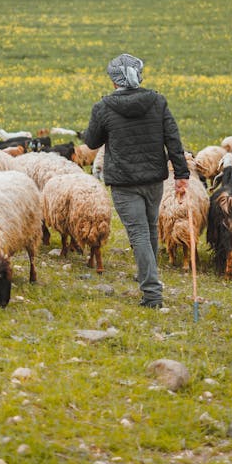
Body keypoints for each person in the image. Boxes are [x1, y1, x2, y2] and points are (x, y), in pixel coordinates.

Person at [82, 52, 190, 308]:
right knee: (149, 228)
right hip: (154, 179)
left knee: (140, 233)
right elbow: (173, 139)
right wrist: (182, 175)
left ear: (114, 81)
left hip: (124, 181)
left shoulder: (104, 107)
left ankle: (152, 294)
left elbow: (91, 142)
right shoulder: (157, 101)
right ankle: (149, 277)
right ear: (139, 76)